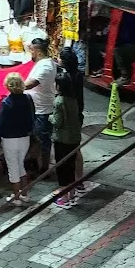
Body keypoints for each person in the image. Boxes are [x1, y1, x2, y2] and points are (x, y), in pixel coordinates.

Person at [51, 64, 86, 207]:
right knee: (71, 166)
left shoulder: (59, 101)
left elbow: (58, 122)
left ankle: (64, 198)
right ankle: (71, 194)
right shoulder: (73, 99)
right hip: (74, 138)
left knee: (62, 168)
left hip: (62, 139)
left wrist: (49, 118)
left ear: (59, 86)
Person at [0, 72, 35, 204]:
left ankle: (16, 196)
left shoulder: (6, 102)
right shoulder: (28, 99)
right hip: (25, 137)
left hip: (10, 139)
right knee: (20, 164)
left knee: (13, 167)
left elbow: (1, 124)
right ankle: (24, 194)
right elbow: (32, 117)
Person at [22, 37, 58, 168]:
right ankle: (35, 163)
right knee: (37, 139)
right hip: (36, 108)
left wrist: (12, 84)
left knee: (42, 140)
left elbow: (30, 84)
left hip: (42, 110)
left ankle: (43, 168)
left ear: (36, 51)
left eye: (31, 50)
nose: (30, 53)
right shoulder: (42, 63)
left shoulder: (46, 66)